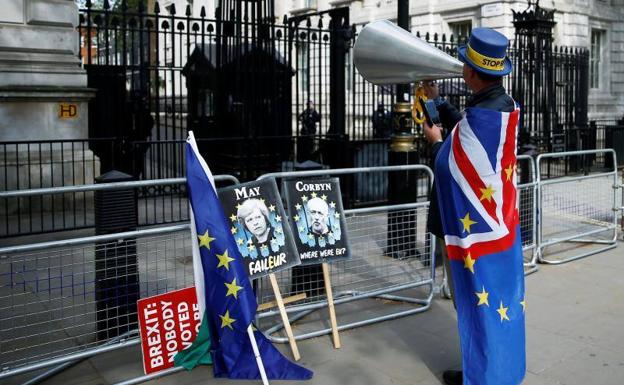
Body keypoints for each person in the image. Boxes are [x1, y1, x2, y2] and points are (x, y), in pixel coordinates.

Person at [422, 28, 525, 385]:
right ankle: (497, 368)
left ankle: (483, 376)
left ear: (469, 72)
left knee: (472, 301)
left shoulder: (482, 116)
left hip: (474, 236)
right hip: (501, 227)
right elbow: (468, 133)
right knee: (499, 302)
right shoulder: (503, 107)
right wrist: (438, 104)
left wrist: (435, 143)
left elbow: (453, 167)